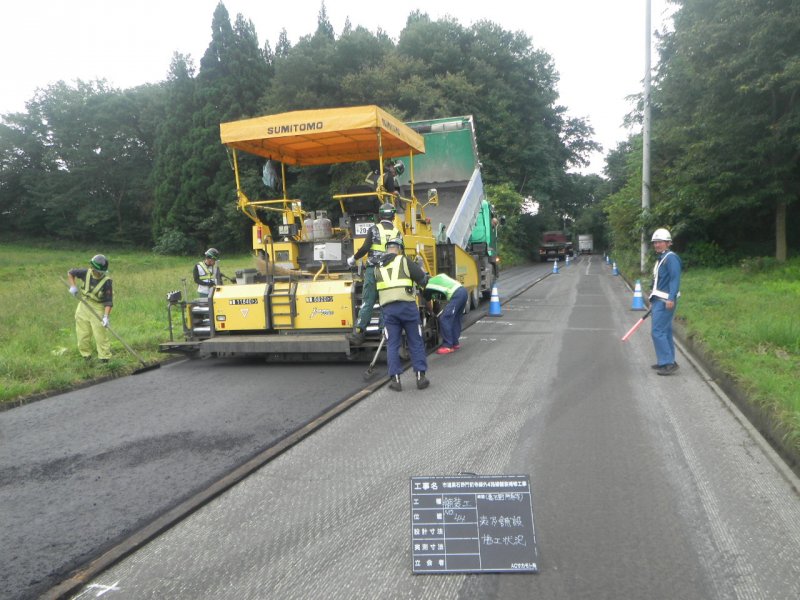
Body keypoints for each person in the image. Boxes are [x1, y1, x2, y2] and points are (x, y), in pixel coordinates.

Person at [374, 237, 430, 391]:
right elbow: (422, 280)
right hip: (407, 307)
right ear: (400, 249)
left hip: (389, 310)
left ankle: (395, 380)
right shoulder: (404, 261)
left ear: (387, 249)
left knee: (392, 344)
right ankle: (420, 377)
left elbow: (374, 291)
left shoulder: (377, 267)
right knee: (415, 341)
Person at [346, 202, 402, 345]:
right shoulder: (397, 232)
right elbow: (403, 253)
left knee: (368, 301)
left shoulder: (374, 229)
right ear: (393, 216)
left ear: (380, 215)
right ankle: (384, 332)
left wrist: (353, 259)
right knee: (386, 301)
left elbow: (365, 248)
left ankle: (359, 333)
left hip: (373, 270)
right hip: (389, 271)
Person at [67, 254, 113, 363]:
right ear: (93, 268)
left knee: (100, 336)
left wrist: (106, 317)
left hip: (98, 307)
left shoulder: (107, 281)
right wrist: (73, 286)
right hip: (84, 304)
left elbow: (109, 301)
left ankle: (104, 359)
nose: (99, 273)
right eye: (98, 271)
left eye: (101, 272)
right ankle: (86, 356)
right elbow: (70, 273)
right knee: (83, 334)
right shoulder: (85, 273)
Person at [649, 228, 682, 375]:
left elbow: (675, 279)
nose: (657, 245)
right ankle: (667, 360)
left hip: (665, 301)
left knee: (657, 331)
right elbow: (658, 281)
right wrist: (653, 299)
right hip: (659, 300)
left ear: (668, 243)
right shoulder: (662, 258)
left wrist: (670, 298)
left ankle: (667, 363)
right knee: (665, 331)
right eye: (655, 242)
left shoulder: (671, 258)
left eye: (660, 242)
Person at [423, 273, 468, 354]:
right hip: (463, 291)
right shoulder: (437, 278)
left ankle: (447, 346)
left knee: (444, 318)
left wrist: (431, 313)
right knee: (455, 318)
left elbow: (428, 303)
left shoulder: (428, 286)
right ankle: (455, 343)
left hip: (457, 294)